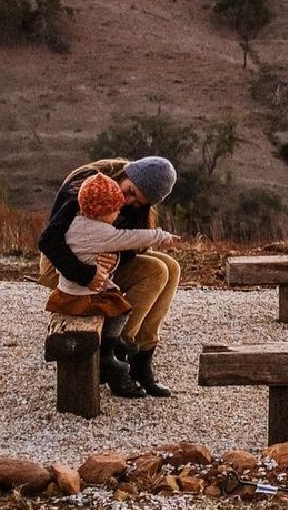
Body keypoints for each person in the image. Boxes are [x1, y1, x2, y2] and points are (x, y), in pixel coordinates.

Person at [38, 155, 181, 397]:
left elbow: (129, 246)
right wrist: (86, 273)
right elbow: (51, 240)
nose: (128, 200)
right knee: (157, 271)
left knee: (171, 267)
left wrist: (114, 258)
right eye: (130, 191)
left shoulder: (133, 203)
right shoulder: (90, 188)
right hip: (63, 263)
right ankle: (114, 352)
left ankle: (141, 358)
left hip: (102, 260)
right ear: (127, 174)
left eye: (138, 201)